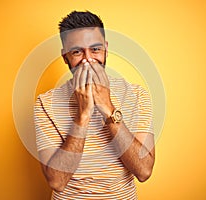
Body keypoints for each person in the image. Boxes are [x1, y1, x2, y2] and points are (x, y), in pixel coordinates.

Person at [34, 10, 155, 199]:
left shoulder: (137, 96)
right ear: (65, 56)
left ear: (106, 49)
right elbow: (57, 182)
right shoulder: (45, 104)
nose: (88, 59)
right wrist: (82, 116)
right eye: (77, 52)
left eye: (95, 49)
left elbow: (144, 171)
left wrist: (108, 108)